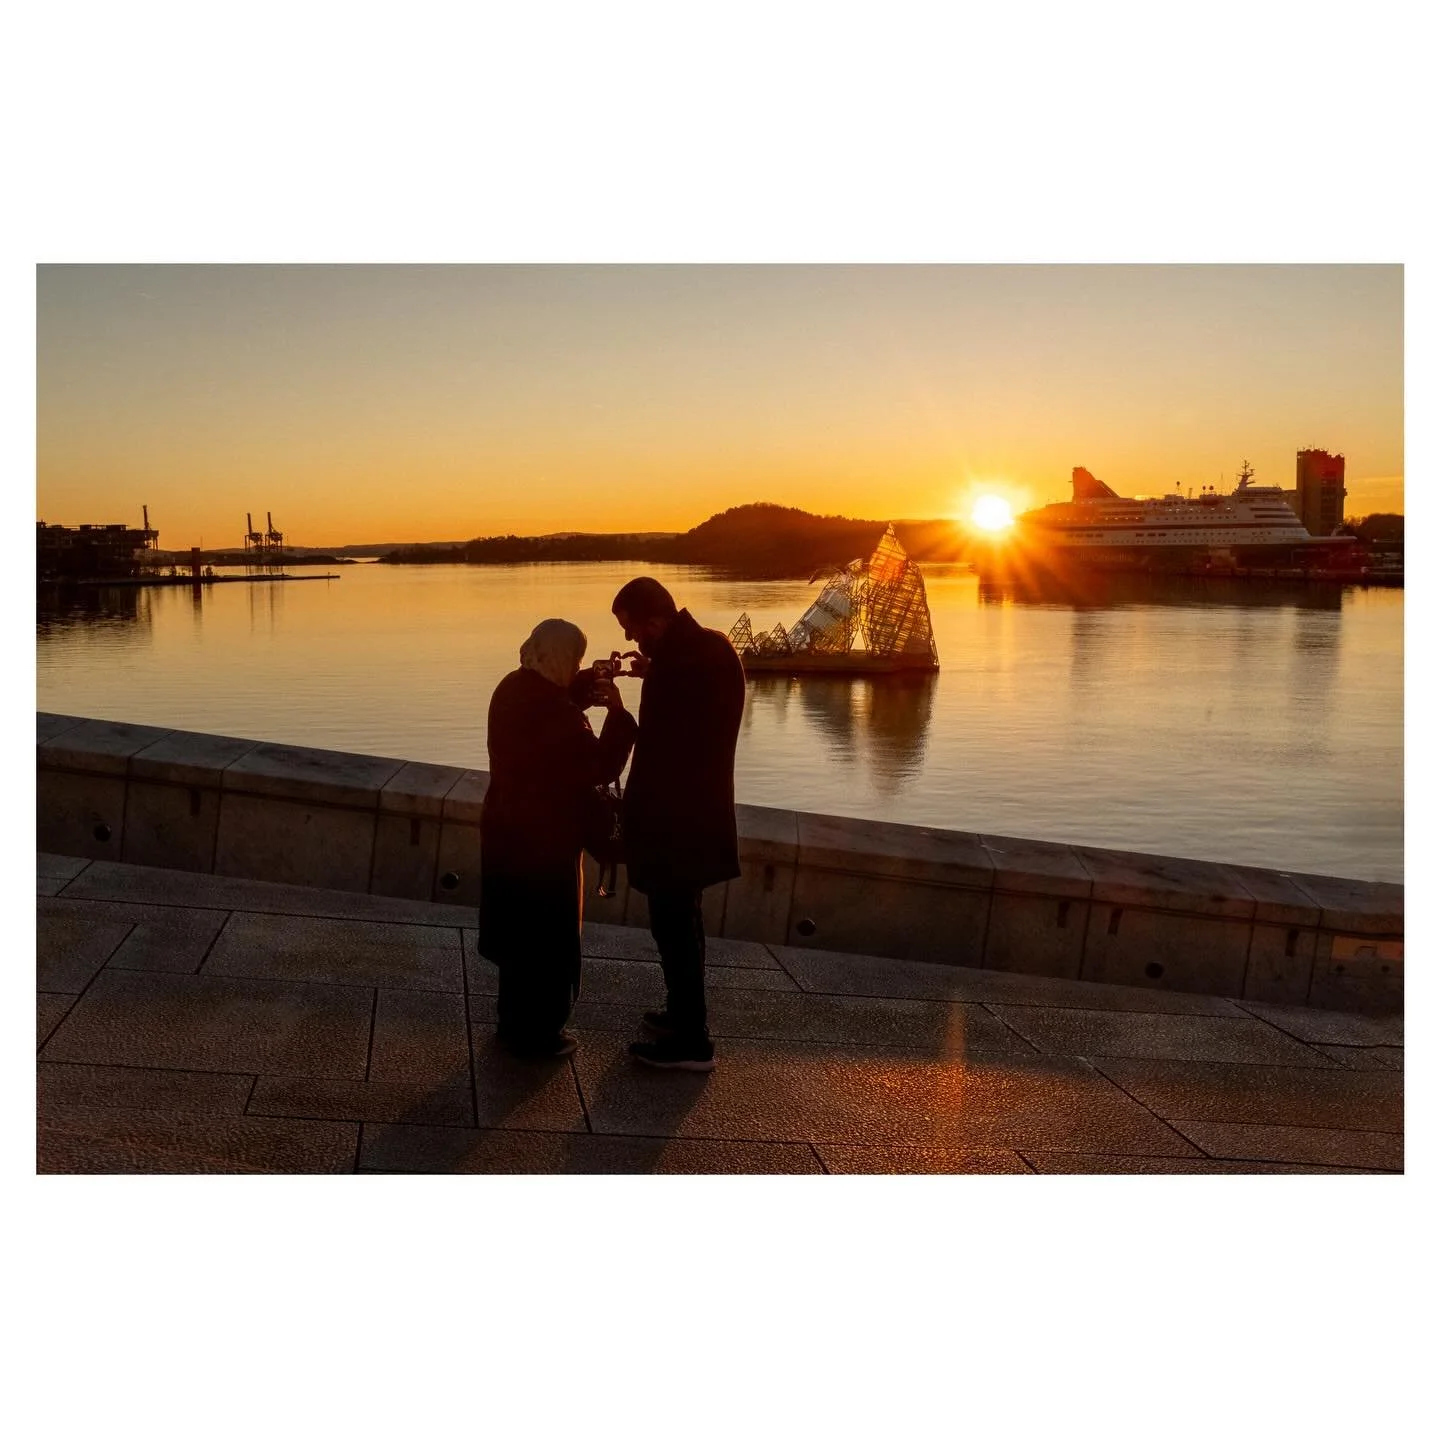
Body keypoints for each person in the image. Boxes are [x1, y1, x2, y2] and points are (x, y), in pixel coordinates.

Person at [479, 618, 636, 1058]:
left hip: (505, 830)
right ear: (566, 658)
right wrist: (619, 716)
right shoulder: (558, 713)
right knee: (549, 938)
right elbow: (600, 765)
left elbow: (553, 699)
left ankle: (512, 1024)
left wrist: (588, 683)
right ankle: (543, 1033)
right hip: (547, 842)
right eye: (578, 661)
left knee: (516, 936)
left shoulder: (510, 689)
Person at [612, 577, 745, 1071]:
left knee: (675, 927)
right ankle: (684, 1017)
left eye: (632, 629)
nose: (631, 641)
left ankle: (691, 1040)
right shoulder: (702, 652)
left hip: (678, 823)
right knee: (682, 922)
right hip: (691, 818)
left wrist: (636, 694)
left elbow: (673, 741)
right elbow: (691, 706)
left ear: (657, 620)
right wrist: (656, 670)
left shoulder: (687, 663)